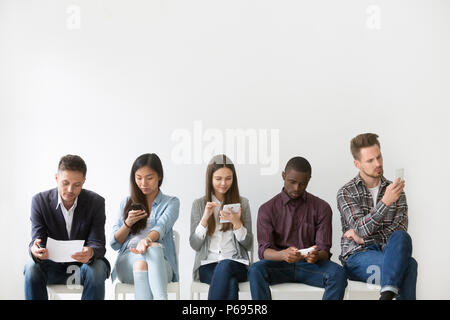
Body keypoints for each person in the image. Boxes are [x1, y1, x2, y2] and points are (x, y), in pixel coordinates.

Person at [248, 156, 347, 300]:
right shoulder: (267, 209)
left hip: (311, 266)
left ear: (309, 180)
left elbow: (324, 251)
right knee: (255, 270)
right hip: (279, 265)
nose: (296, 188)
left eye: (302, 184)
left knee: (338, 273)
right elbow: (264, 251)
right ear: (283, 176)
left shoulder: (322, 208)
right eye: (292, 182)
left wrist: (316, 255)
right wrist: (283, 254)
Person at [337, 133, 418, 300]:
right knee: (408, 266)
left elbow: (399, 229)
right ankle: (388, 294)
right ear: (357, 164)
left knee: (402, 236)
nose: (378, 163)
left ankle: (386, 295)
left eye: (379, 157)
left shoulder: (395, 190)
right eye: (370, 160)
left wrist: (364, 239)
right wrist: (385, 202)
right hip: (357, 257)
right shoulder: (346, 192)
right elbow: (360, 227)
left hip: (387, 253)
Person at [24, 155, 110, 300]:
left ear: (83, 181)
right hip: (51, 267)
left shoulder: (96, 202)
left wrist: (91, 252)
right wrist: (36, 249)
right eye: (65, 183)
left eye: (77, 185)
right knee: (31, 268)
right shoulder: (39, 201)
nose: (70, 190)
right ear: (56, 178)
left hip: (83, 268)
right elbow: (37, 240)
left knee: (97, 268)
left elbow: (98, 243)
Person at [110, 153, 179, 300]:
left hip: (160, 262)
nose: (143, 183)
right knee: (141, 263)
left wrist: (146, 241)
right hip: (128, 260)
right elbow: (115, 243)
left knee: (151, 250)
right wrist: (127, 223)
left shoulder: (171, 203)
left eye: (149, 178)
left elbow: (162, 226)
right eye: (139, 178)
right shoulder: (126, 202)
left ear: (159, 176)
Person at [189, 154, 253, 300]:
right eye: (218, 179)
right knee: (230, 283)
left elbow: (248, 244)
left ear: (233, 179)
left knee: (225, 266)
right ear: (210, 179)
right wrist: (204, 219)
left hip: (237, 263)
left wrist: (237, 223)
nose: (223, 183)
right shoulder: (199, 205)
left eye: (228, 178)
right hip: (208, 264)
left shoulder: (243, 203)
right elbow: (194, 244)